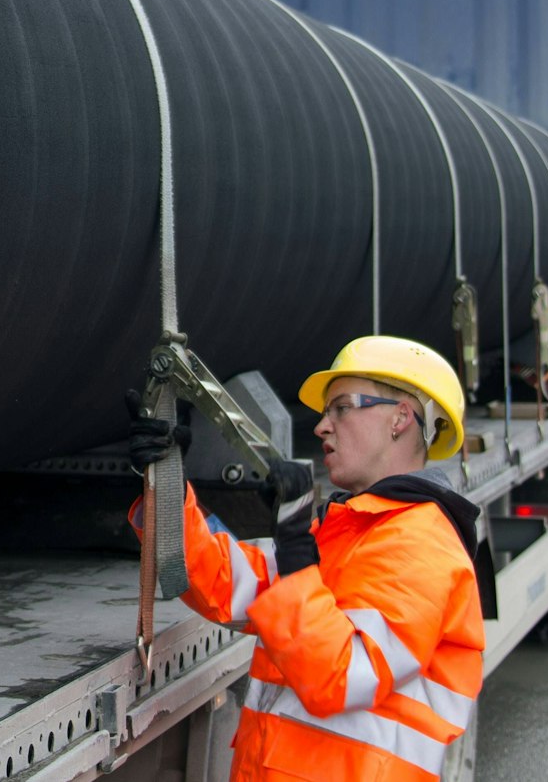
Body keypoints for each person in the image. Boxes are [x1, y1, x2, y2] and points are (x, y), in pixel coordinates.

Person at [128, 335, 486, 782]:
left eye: (342, 407)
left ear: (400, 418)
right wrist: (165, 484)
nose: (321, 426)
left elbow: (343, 674)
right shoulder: (353, 529)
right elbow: (227, 583)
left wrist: (297, 552)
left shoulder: (423, 546)